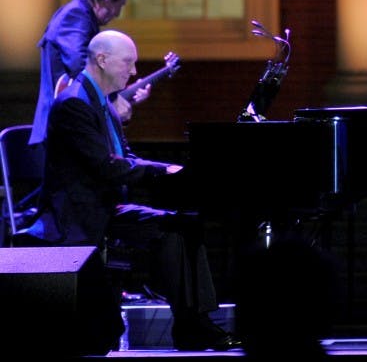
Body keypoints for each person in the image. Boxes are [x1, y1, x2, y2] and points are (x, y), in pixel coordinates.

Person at [22, 30, 239, 353]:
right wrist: (158, 170)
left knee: (183, 226)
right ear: (102, 59)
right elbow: (105, 166)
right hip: (77, 218)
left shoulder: (101, 102)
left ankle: (194, 324)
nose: (134, 72)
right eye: (129, 62)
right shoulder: (73, 104)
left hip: (105, 210)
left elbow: (125, 158)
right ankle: (191, 324)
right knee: (171, 230)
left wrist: (167, 168)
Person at [29, 0, 149, 146]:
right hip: (59, 134)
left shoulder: (82, 17)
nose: (117, 13)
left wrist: (119, 96)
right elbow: (81, 67)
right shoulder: (76, 15)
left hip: (66, 129)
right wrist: (114, 99)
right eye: (120, 4)